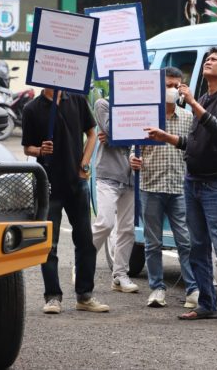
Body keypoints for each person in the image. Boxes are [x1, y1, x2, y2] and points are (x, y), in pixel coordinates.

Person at [145, 47, 217, 327]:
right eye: (207, 59)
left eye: (214, 59)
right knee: (197, 247)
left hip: (216, 183)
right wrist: (166, 137)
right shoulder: (203, 98)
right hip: (192, 181)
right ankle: (206, 304)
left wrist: (192, 104)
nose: (208, 61)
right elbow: (193, 145)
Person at [21, 88, 108, 314]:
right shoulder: (32, 108)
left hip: (76, 182)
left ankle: (85, 296)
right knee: (49, 244)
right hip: (48, 184)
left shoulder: (77, 100)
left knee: (85, 241)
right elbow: (26, 148)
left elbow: (91, 133)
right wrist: (40, 149)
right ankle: (52, 297)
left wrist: (85, 164)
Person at [129, 67, 199, 309]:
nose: (172, 90)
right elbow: (134, 150)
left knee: (185, 241)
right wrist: (133, 160)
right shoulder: (146, 117)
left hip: (179, 187)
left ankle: (192, 289)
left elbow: (193, 149)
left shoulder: (188, 118)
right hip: (151, 186)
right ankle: (157, 289)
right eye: (168, 85)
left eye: (176, 85)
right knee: (152, 242)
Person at [92, 97, 139, 294]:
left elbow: (145, 136)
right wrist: (121, 135)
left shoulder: (140, 107)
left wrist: (115, 139)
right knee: (105, 223)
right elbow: (113, 130)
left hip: (131, 177)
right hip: (108, 175)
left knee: (127, 229)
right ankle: (82, 262)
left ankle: (120, 275)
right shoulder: (103, 104)